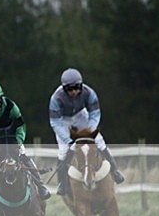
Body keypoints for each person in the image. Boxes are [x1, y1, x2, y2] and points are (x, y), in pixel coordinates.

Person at [0, 80, 51, 213]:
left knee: (22, 154)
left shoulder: (11, 107)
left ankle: (40, 186)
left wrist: (17, 144)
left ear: (1, 99)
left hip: (9, 132)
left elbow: (20, 128)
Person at [49, 67, 125, 195]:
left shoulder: (89, 93)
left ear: (81, 85)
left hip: (81, 116)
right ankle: (62, 183)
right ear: (64, 88)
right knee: (63, 151)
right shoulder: (56, 99)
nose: (74, 91)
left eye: (76, 88)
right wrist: (68, 140)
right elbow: (55, 122)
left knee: (99, 140)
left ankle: (115, 171)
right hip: (63, 121)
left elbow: (95, 114)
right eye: (70, 89)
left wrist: (90, 130)